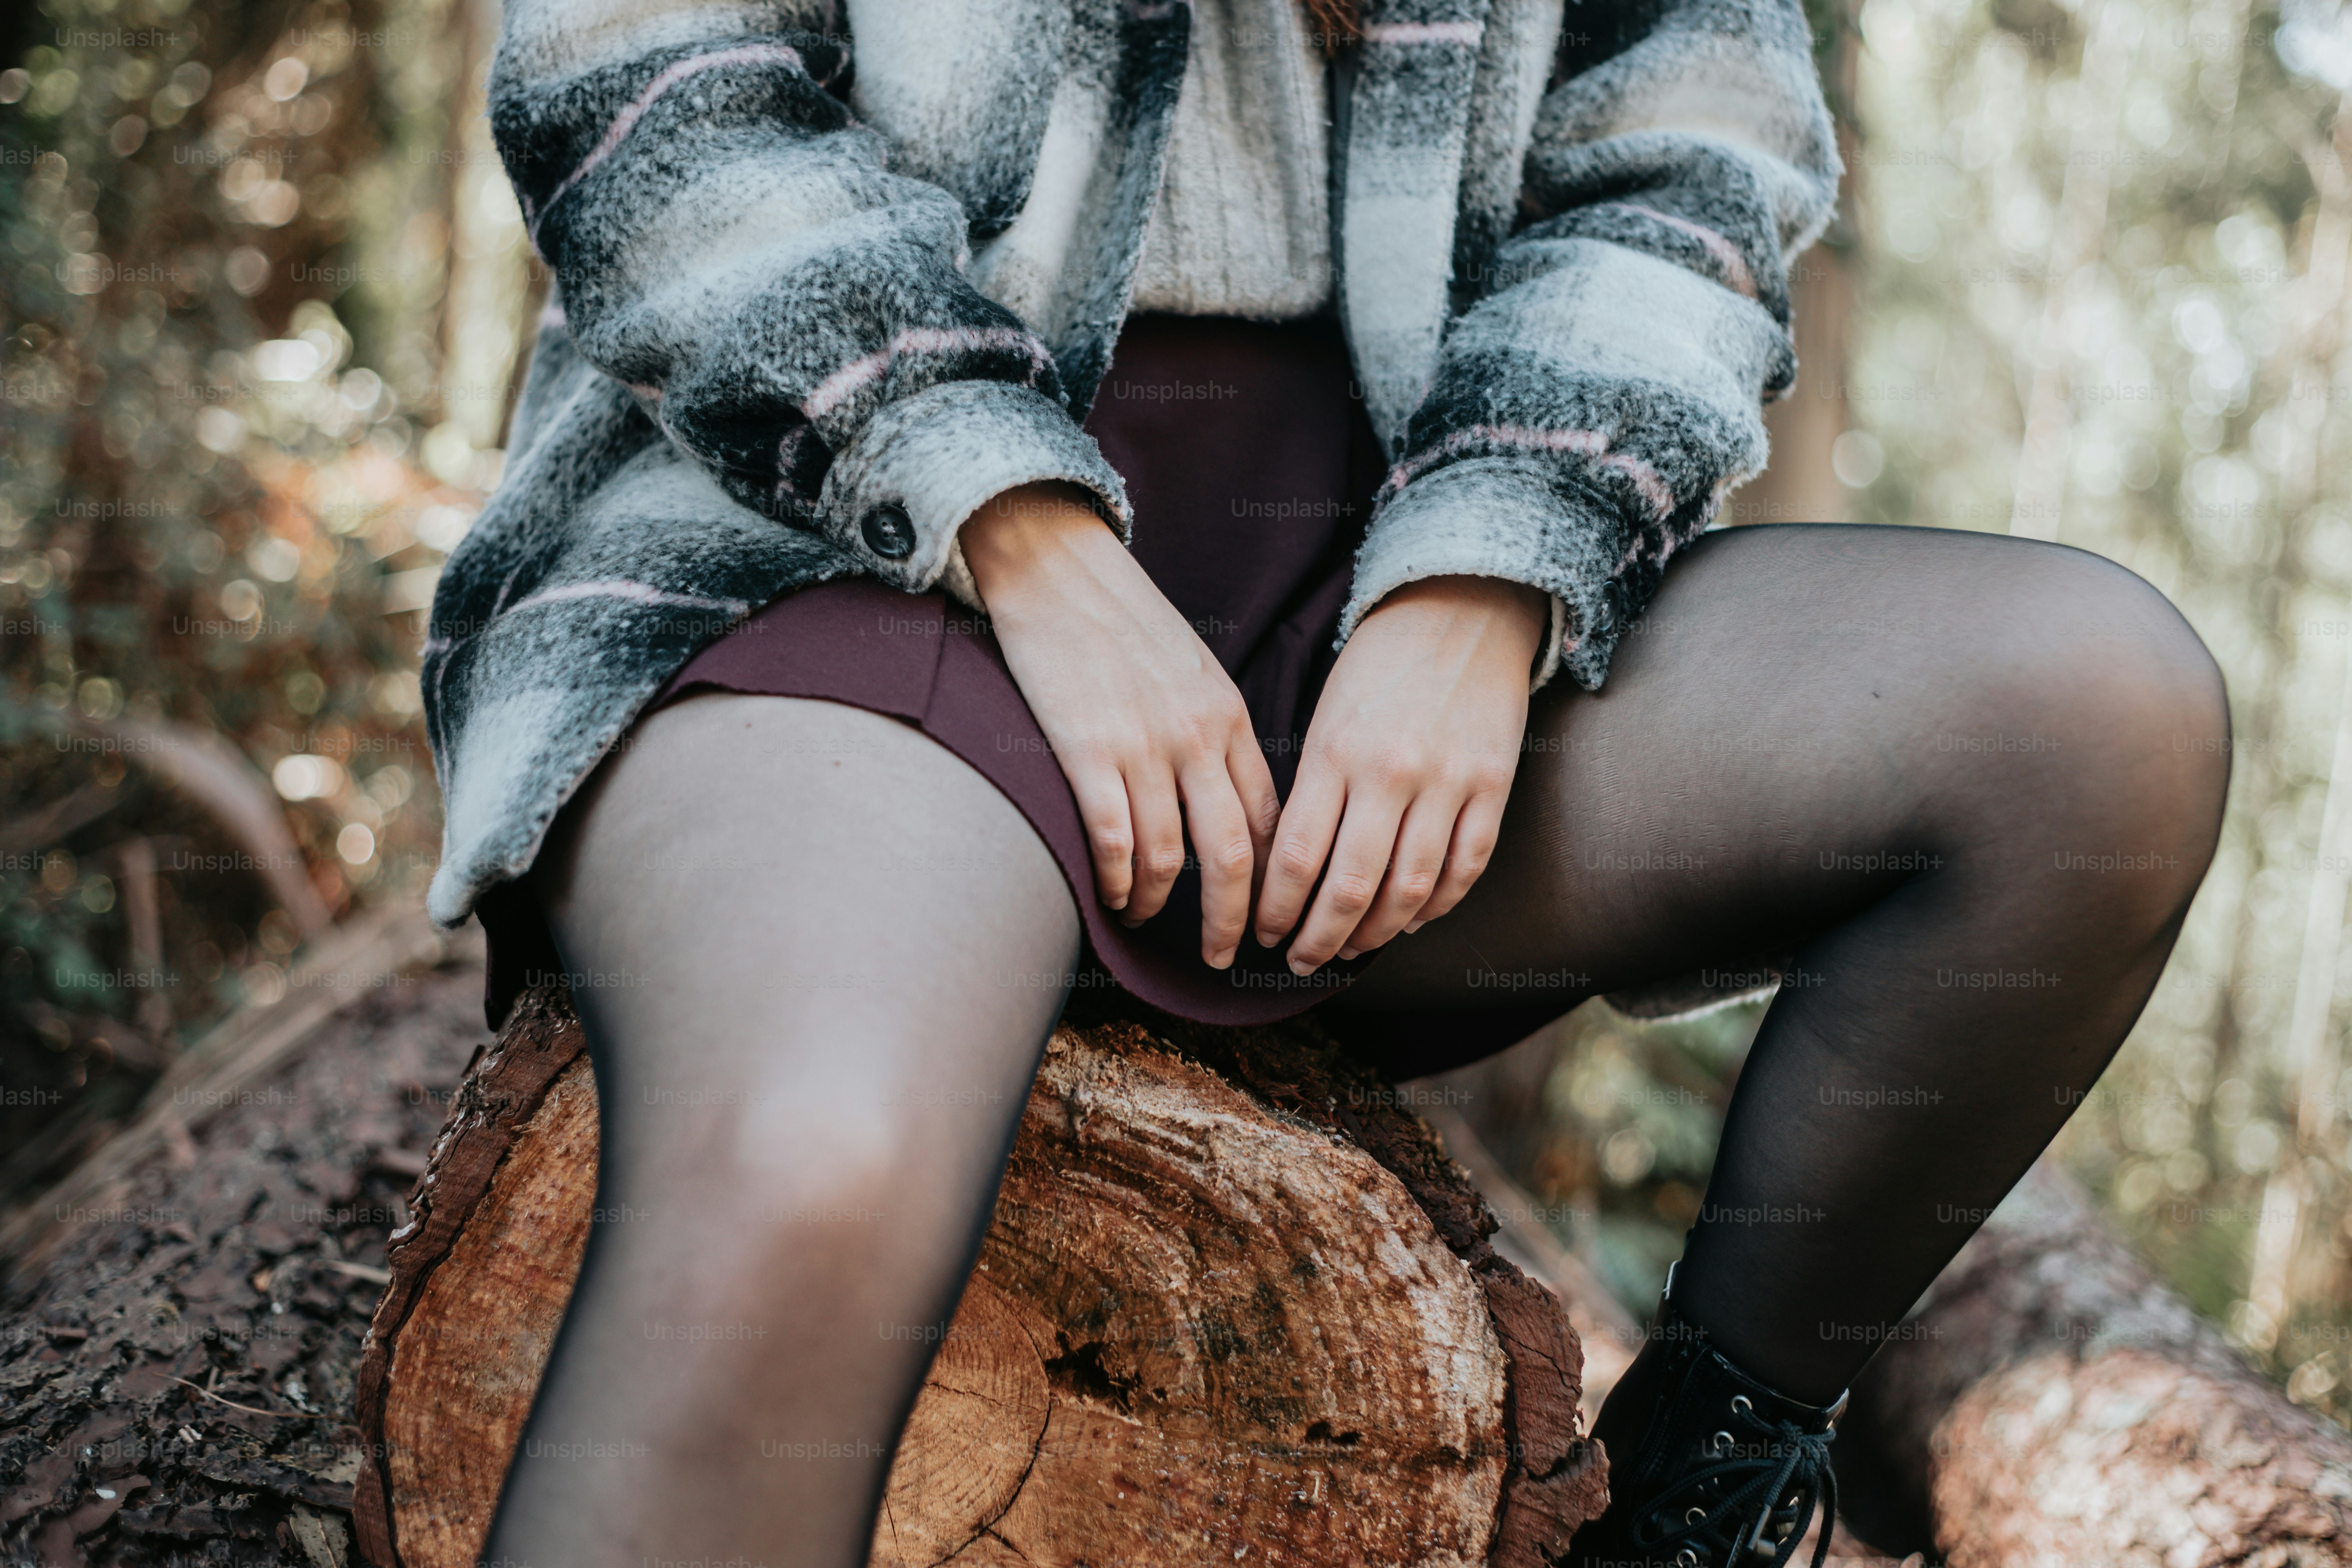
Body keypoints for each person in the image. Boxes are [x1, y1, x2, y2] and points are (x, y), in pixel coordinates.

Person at [418, 0, 2230, 1562]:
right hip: (815, 546)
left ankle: (1682, 1510)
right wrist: (1018, 519)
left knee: (2090, 716)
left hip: (1400, 571)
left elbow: (1695, 161)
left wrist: (1488, 570)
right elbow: (650, 91)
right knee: (818, 1155)